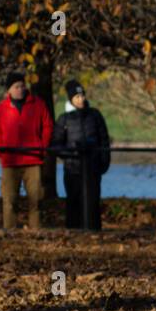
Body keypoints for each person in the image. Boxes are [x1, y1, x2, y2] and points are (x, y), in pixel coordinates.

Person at [0, 71, 54, 231]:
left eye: (22, 86)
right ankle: (9, 232)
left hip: (33, 160)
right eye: (16, 87)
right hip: (10, 162)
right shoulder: (1, 109)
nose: (20, 89)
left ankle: (35, 231)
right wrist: (1, 153)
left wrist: (41, 147)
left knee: (36, 200)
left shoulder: (38, 104)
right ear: (9, 90)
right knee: (9, 200)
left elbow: (47, 126)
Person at [51, 80, 111, 231]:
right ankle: (73, 232)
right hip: (73, 170)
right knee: (73, 202)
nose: (81, 99)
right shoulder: (63, 119)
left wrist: (104, 162)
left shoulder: (95, 115)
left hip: (92, 169)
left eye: (82, 95)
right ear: (71, 99)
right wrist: (71, 152)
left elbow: (104, 140)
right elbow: (55, 145)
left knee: (92, 202)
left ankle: (94, 231)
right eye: (77, 96)